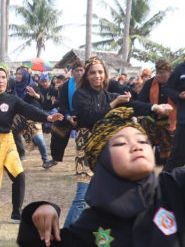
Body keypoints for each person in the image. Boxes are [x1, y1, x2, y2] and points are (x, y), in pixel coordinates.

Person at [16, 107, 185, 247]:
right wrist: (40, 210)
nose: (136, 147)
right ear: (102, 159)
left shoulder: (174, 189)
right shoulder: (92, 224)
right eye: (120, 143)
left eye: (142, 141)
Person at [65, 55, 170, 228]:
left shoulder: (111, 95)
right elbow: (91, 117)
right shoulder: (80, 95)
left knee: (115, 193)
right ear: (87, 76)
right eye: (92, 73)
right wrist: (114, 103)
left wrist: (154, 107)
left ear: (105, 75)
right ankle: (68, 234)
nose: (97, 76)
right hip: (87, 150)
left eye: (100, 72)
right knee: (83, 194)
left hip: (112, 153)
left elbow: (134, 105)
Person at [0, 66, 63, 223]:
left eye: (3, 77)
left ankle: (16, 213)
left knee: (19, 176)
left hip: (7, 142)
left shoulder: (11, 99)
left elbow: (29, 110)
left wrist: (48, 118)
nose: (1, 80)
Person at [137, 60, 176, 165]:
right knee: (144, 150)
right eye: (157, 72)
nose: (158, 75)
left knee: (168, 157)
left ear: (170, 72)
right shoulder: (149, 84)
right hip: (150, 121)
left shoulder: (177, 84)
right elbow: (141, 103)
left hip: (170, 124)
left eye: (162, 73)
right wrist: (155, 109)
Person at [48, 60, 84, 168]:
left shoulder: (89, 85)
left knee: (85, 138)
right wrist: (68, 117)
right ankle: (55, 159)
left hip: (84, 114)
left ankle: (84, 164)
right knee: (56, 132)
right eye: (76, 70)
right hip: (68, 114)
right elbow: (62, 104)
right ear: (72, 72)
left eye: (81, 70)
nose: (79, 73)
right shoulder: (66, 86)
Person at [12, 66, 48, 165]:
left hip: (32, 115)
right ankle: (19, 155)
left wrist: (35, 95)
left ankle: (46, 159)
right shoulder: (14, 86)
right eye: (17, 74)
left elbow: (42, 98)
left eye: (20, 74)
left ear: (25, 75)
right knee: (11, 134)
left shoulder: (33, 86)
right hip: (18, 116)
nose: (18, 76)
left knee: (39, 138)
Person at [162, 59, 185, 172]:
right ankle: (164, 183)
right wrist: (179, 95)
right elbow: (168, 88)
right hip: (183, 120)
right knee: (178, 154)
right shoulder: (180, 69)